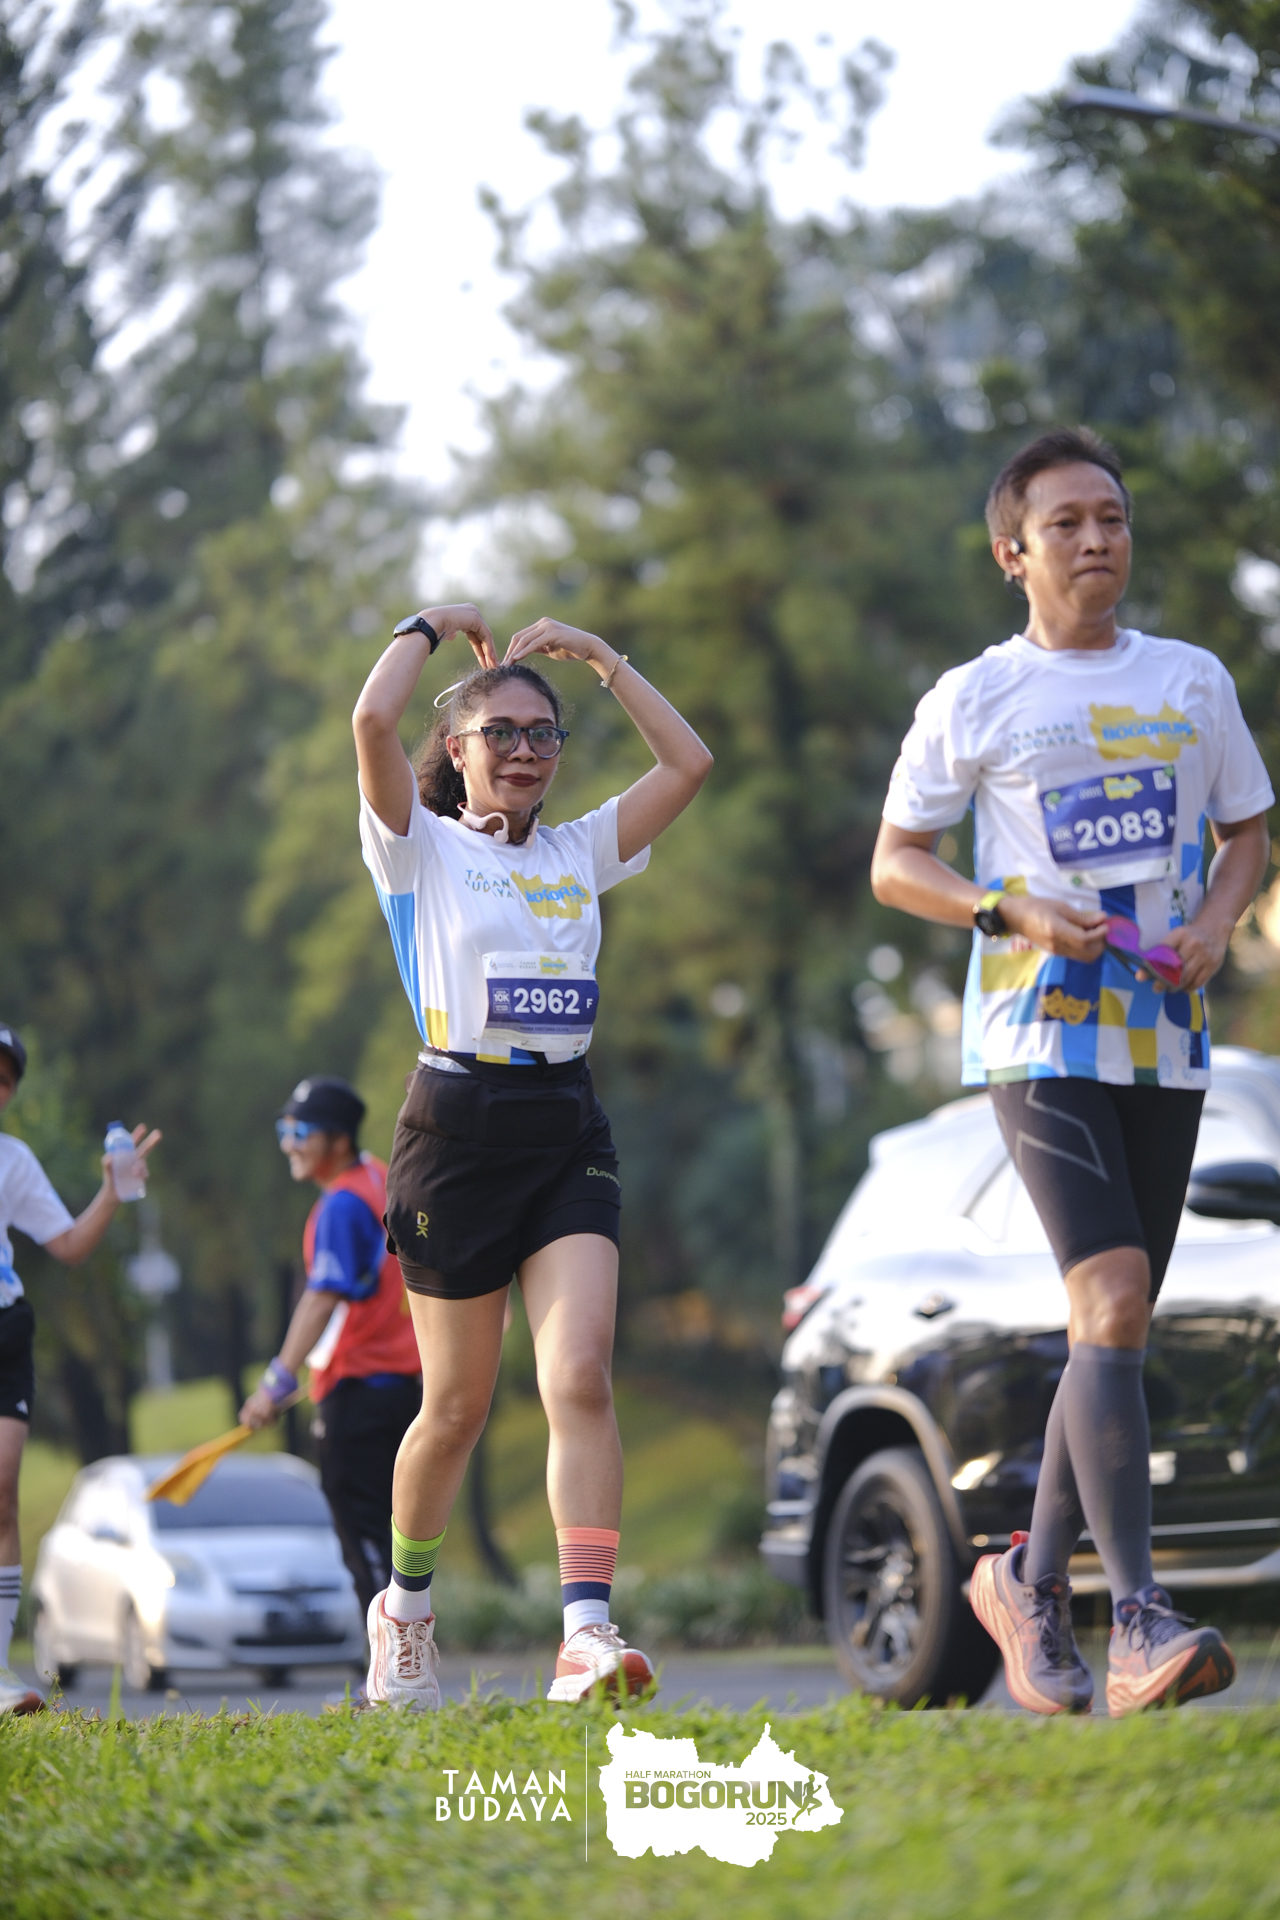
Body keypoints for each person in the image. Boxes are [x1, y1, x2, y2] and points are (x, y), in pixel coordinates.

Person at [870, 427, 1272, 1718]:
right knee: (1109, 1295)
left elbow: (1247, 829)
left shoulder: (1191, 679)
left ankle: (1022, 1583)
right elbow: (895, 863)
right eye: (1066, 523)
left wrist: (1217, 920)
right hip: (1036, 1031)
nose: (1097, 539)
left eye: (1111, 517)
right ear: (1011, 553)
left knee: (1116, 1321)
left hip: (1164, 1033)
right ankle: (1139, 1621)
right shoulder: (974, 695)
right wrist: (1009, 908)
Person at [352, 601, 712, 1709]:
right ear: (456, 750)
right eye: (498, 732)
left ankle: (585, 1634)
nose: (522, 750)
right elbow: (370, 721)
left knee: (579, 1375)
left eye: (541, 733)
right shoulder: (417, 845)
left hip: (565, 1127)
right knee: (456, 1409)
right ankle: (405, 1610)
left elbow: (688, 763)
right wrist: (427, 625)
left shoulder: (577, 850)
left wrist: (601, 658)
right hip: (454, 1134)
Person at [0, 1024, 160, 1715]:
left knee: (2, 1494)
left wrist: (112, 1192)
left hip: (5, 1329)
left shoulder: (12, 1160)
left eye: (5, 1079)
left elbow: (66, 1244)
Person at [239, 1076, 422, 1619]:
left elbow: (322, 1297)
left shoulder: (341, 1204)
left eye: (300, 1133)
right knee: (400, 1534)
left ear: (338, 1141)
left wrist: (275, 1383)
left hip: (357, 1391)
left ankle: (390, 1659)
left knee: (364, 1537)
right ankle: (408, 1650)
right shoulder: (379, 1177)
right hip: (405, 1388)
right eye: (284, 1129)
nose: (287, 1144)